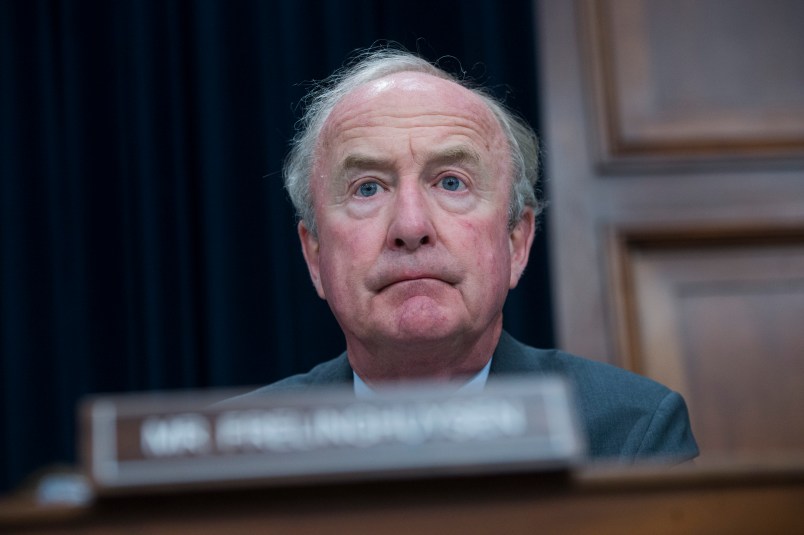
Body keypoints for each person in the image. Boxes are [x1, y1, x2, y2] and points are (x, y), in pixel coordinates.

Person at [247, 47, 698, 463]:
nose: (411, 227)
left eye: (451, 182)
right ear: (314, 255)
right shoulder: (246, 450)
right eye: (367, 188)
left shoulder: (631, 435)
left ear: (516, 242)